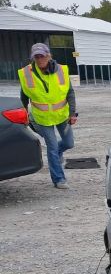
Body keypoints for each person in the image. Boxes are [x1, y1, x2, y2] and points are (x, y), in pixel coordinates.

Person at [18, 43, 78, 189]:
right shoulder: (27, 73)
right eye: (36, 57)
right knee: (51, 147)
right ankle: (59, 179)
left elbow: (69, 93)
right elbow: (24, 97)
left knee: (69, 143)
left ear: (49, 55)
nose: (39, 59)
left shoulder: (61, 70)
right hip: (43, 118)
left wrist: (73, 113)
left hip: (62, 115)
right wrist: (24, 114)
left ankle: (56, 155)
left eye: (42, 56)